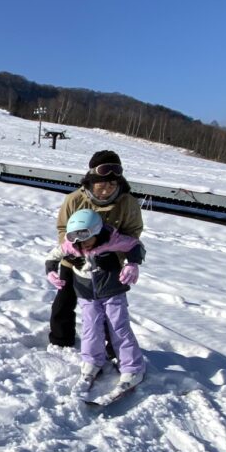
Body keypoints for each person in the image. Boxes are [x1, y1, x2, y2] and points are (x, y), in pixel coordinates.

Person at [48, 150, 144, 351]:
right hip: (74, 261)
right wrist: (74, 252)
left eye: (112, 184)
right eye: (102, 183)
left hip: (107, 266)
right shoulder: (74, 199)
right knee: (64, 302)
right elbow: (63, 229)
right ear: (92, 180)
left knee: (111, 310)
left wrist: (129, 261)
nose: (107, 189)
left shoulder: (127, 202)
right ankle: (61, 341)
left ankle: (114, 348)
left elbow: (132, 233)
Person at [46, 208, 147, 394]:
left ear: (97, 232)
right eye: (76, 239)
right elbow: (53, 256)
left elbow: (135, 245)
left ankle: (132, 368)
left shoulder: (112, 239)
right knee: (91, 327)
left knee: (118, 327)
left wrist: (132, 264)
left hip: (112, 291)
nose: (81, 244)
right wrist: (51, 271)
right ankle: (92, 361)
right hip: (86, 293)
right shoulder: (72, 245)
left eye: (86, 238)